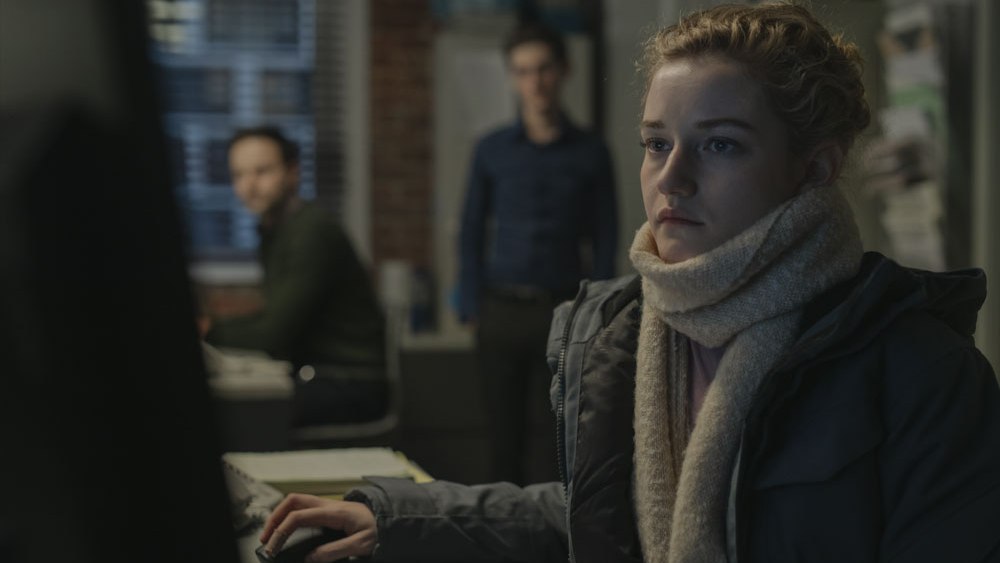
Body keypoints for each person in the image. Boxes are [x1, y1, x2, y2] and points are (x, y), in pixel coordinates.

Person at [254, 4, 1000, 562]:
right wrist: (399, 517)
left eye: (720, 144)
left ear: (814, 168)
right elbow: (602, 522)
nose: (671, 178)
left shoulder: (923, 372)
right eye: (655, 143)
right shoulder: (623, 332)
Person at [457, 21, 619, 485]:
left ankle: (552, 527)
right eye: (523, 71)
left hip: (564, 309)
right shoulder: (491, 149)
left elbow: (605, 236)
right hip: (501, 307)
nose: (535, 82)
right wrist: (469, 303)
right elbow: (471, 230)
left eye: (544, 69)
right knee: (500, 439)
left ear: (563, 71)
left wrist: (600, 311)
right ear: (513, 77)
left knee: (557, 438)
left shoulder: (591, 151)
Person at [203, 126, 387, 426]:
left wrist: (208, 330)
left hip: (349, 381)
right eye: (239, 174)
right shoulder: (277, 230)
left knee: (232, 414)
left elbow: (273, 333)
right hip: (318, 375)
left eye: (262, 171)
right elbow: (272, 320)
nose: (249, 185)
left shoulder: (311, 231)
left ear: (293, 173)